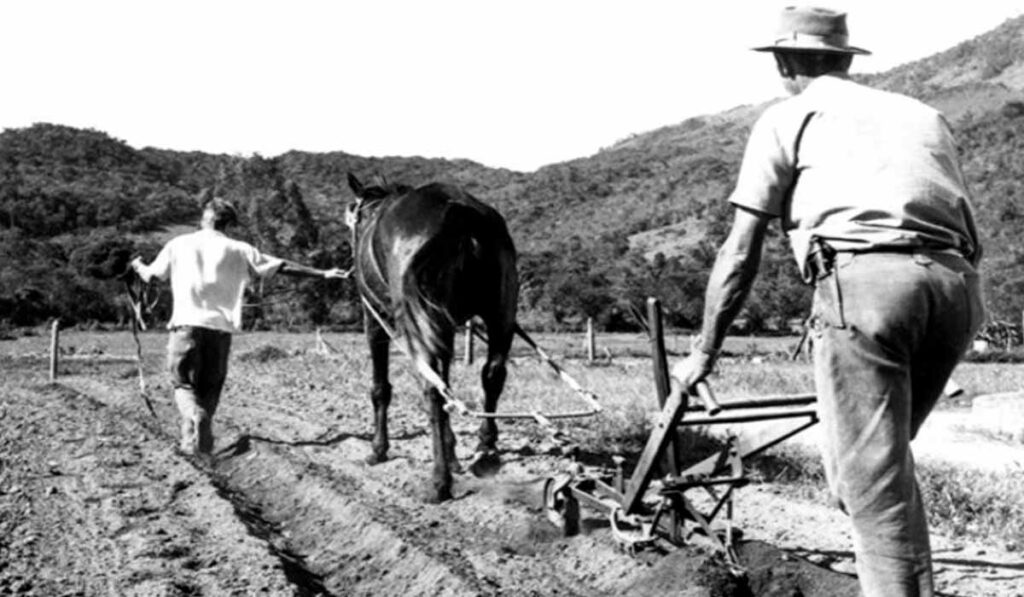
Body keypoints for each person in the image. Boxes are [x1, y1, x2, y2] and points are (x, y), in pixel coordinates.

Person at [670, 6, 984, 596]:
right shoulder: (923, 113)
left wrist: (703, 354)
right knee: (868, 471)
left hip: (867, 288)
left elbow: (741, 250)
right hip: (956, 286)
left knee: (871, 482)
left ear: (785, 62)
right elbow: (964, 223)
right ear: (844, 58)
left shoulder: (788, 116)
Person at [131, 197, 349, 456]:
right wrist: (323, 273)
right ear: (229, 224)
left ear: (205, 218)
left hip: (185, 328)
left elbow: (151, 275)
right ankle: (194, 443)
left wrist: (137, 265)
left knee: (183, 386)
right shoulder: (240, 248)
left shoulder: (178, 243)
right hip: (221, 331)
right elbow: (281, 266)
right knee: (210, 388)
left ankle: (195, 417)